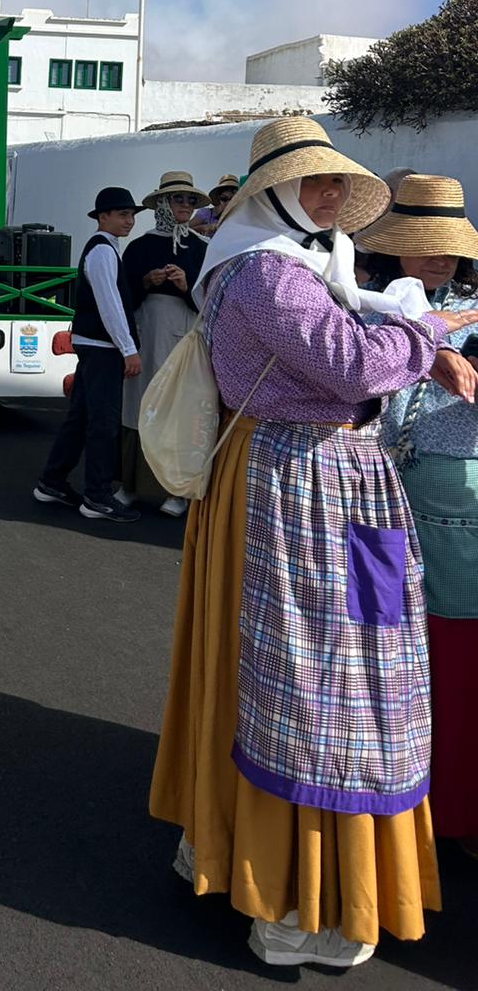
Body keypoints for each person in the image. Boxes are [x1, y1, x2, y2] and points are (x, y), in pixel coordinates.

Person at [149, 118, 478, 969]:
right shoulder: (266, 273)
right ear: (271, 195)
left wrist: (407, 332)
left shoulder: (297, 267)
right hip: (304, 487)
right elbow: (356, 369)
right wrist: (425, 332)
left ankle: (271, 860)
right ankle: (299, 891)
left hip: (342, 486)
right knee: (317, 678)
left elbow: (362, 357)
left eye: (337, 184)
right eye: (312, 184)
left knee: (353, 668)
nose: (330, 197)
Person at [364, 174, 478, 857]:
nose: (435, 258)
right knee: (373, 648)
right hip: (369, 494)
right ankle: (375, 807)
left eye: (445, 247)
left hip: (457, 503)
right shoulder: (363, 306)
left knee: (457, 658)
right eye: (418, 244)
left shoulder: (477, 308)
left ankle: (455, 815)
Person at [32, 187, 143, 523]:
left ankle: (52, 481)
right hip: (102, 348)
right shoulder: (103, 252)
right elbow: (110, 307)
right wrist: (129, 350)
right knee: (103, 423)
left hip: (93, 345)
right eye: (122, 214)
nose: (129, 220)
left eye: (131, 214)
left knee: (80, 418)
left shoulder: (104, 249)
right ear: (103, 217)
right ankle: (97, 495)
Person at [119, 171, 209, 517]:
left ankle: (176, 490)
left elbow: (212, 299)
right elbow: (124, 294)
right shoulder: (140, 246)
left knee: (179, 405)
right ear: (162, 204)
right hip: (148, 329)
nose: (185, 205)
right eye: (178, 199)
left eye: (190, 200)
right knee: (139, 403)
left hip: (186, 332)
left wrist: (187, 287)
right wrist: (146, 280)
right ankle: (131, 484)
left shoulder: (202, 249)